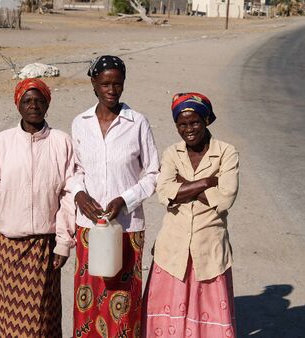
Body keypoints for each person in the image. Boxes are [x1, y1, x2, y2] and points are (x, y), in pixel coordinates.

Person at [0, 78, 75, 337]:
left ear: (47, 104)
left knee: (42, 323)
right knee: (11, 325)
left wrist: (63, 242)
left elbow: (69, 195)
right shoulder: (1, 142)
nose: (33, 106)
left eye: (39, 100)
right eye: (27, 101)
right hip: (6, 248)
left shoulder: (62, 142)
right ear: (17, 104)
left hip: (44, 248)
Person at [71, 55, 159, 337]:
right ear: (94, 84)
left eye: (117, 84)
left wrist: (126, 199)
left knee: (123, 304)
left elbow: (153, 173)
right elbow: (74, 169)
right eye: (105, 84)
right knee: (89, 302)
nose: (112, 90)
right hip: (89, 229)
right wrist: (79, 195)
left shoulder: (137, 123)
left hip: (127, 228)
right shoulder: (80, 123)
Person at [142, 92, 239, 337]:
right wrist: (207, 181)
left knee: (208, 320)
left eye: (195, 122)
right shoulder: (172, 153)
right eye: (182, 124)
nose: (189, 129)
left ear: (206, 120)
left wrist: (185, 185)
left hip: (209, 251)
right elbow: (164, 192)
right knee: (167, 322)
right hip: (172, 252)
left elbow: (226, 197)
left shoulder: (227, 152)